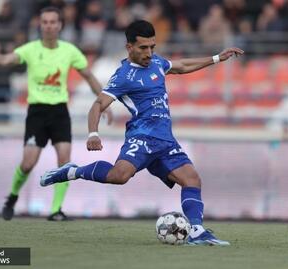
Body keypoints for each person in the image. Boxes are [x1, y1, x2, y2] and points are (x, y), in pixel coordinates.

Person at [40, 20, 243, 245]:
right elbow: (98, 104)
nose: (149, 53)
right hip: (142, 137)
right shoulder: (123, 76)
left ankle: (196, 230)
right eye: (143, 48)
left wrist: (216, 58)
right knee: (119, 176)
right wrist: (93, 134)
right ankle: (73, 172)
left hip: (165, 140)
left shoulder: (157, 63)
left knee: (192, 179)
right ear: (129, 47)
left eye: (152, 47)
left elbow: (181, 66)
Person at [0, 6, 112, 221]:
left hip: (60, 112)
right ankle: (13, 196)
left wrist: (104, 103)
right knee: (28, 164)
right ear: (40, 25)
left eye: (53, 22)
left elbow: (89, 76)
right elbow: (7, 60)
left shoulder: (69, 51)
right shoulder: (30, 49)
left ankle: (56, 210)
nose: (49, 26)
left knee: (65, 162)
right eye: (45, 22)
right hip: (37, 112)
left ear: (60, 25)